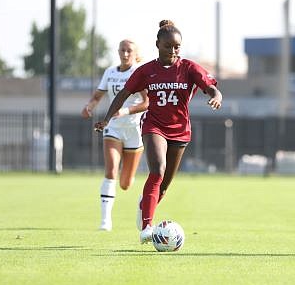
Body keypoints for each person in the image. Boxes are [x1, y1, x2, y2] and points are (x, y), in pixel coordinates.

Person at [94, 20, 223, 244]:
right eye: (168, 46)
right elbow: (123, 94)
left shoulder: (188, 68)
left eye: (177, 47)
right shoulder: (146, 71)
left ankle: (144, 205)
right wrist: (106, 119)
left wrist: (216, 96)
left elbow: (211, 87)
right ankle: (147, 227)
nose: (173, 51)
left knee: (164, 185)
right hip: (154, 126)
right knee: (157, 170)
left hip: (180, 131)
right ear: (157, 44)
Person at [82, 39, 149, 231]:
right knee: (110, 171)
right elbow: (97, 96)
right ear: (118, 51)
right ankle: (105, 221)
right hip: (113, 127)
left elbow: (147, 103)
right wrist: (89, 107)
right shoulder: (110, 72)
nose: (125, 54)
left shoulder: (139, 72)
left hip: (134, 130)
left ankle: (132, 188)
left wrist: (126, 111)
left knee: (126, 184)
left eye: (129, 51)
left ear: (135, 54)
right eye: (122, 50)